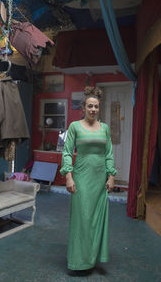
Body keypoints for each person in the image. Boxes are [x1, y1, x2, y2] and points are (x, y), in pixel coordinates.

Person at [60, 86, 117, 273]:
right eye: (90, 106)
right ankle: (79, 262)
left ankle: (93, 259)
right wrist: (68, 177)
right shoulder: (75, 127)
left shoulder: (105, 128)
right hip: (82, 177)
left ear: (99, 109)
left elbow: (109, 153)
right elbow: (67, 152)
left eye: (96, 107)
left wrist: (111, 176)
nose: (93, 109)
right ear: (83, 107)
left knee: (97, 219)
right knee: (82, 218)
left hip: (100, 179)